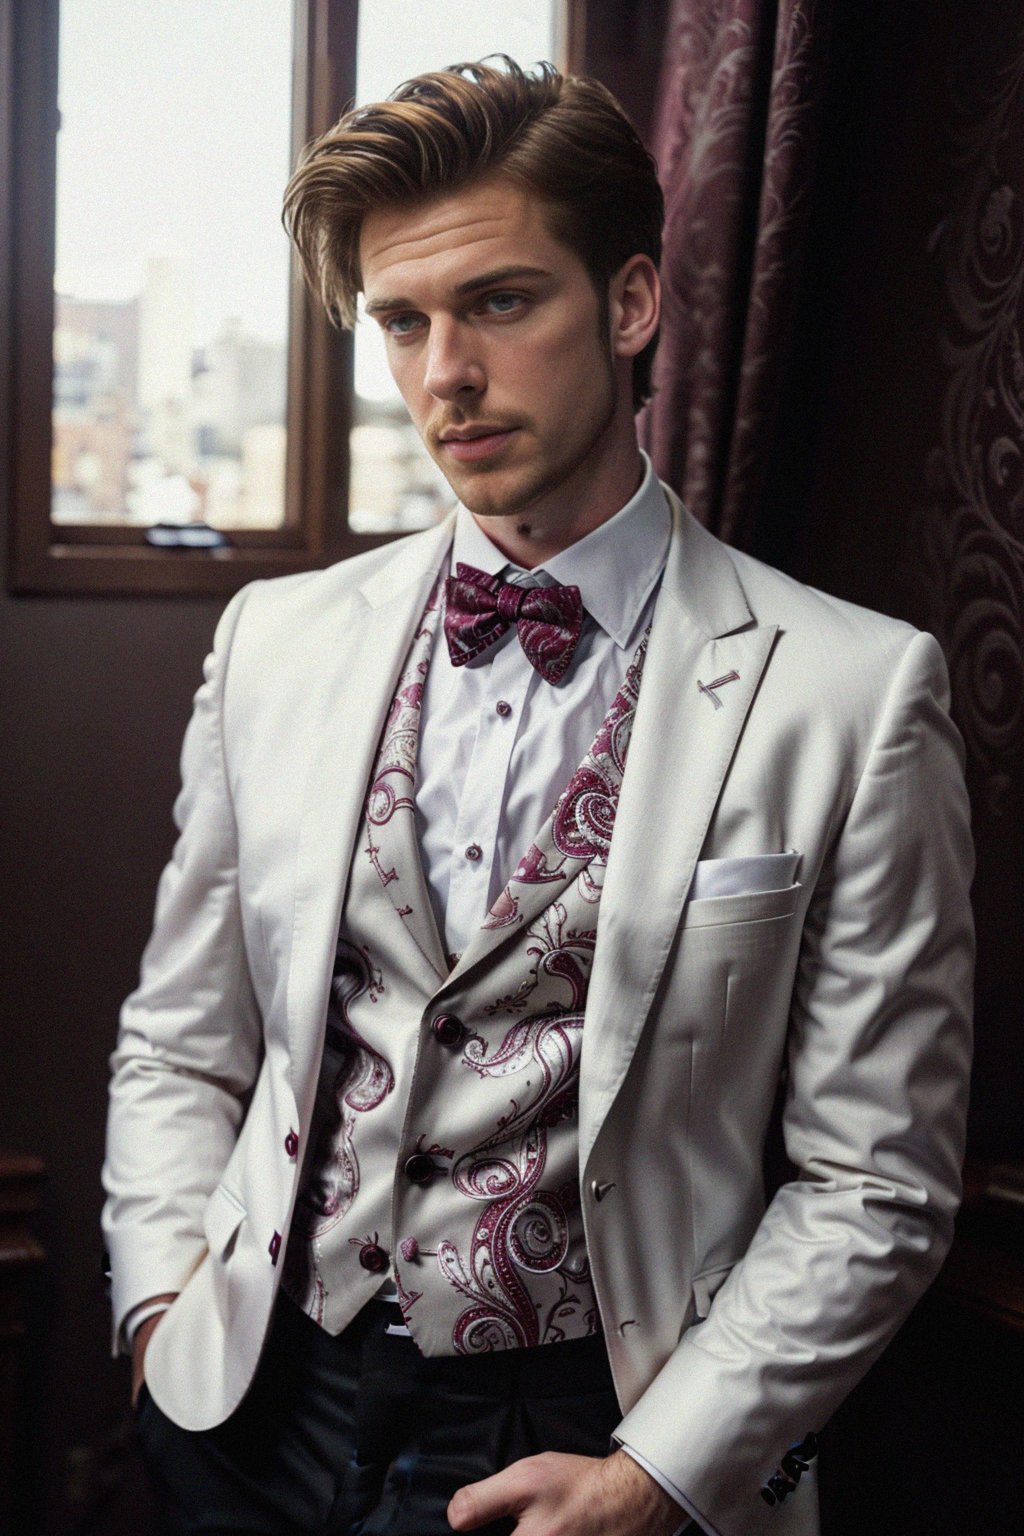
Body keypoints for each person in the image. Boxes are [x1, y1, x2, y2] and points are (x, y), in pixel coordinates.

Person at [102, 58, 974, 1536]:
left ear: (630, 305)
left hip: (588, 1430)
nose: (445, 371)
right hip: (252, 1405)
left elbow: (877, 1180)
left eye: (500, 302)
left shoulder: (856, 692)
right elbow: (180, 1040)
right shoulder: (274, 642)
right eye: (401, 321)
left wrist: (664, 1480)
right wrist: (155, 1319)